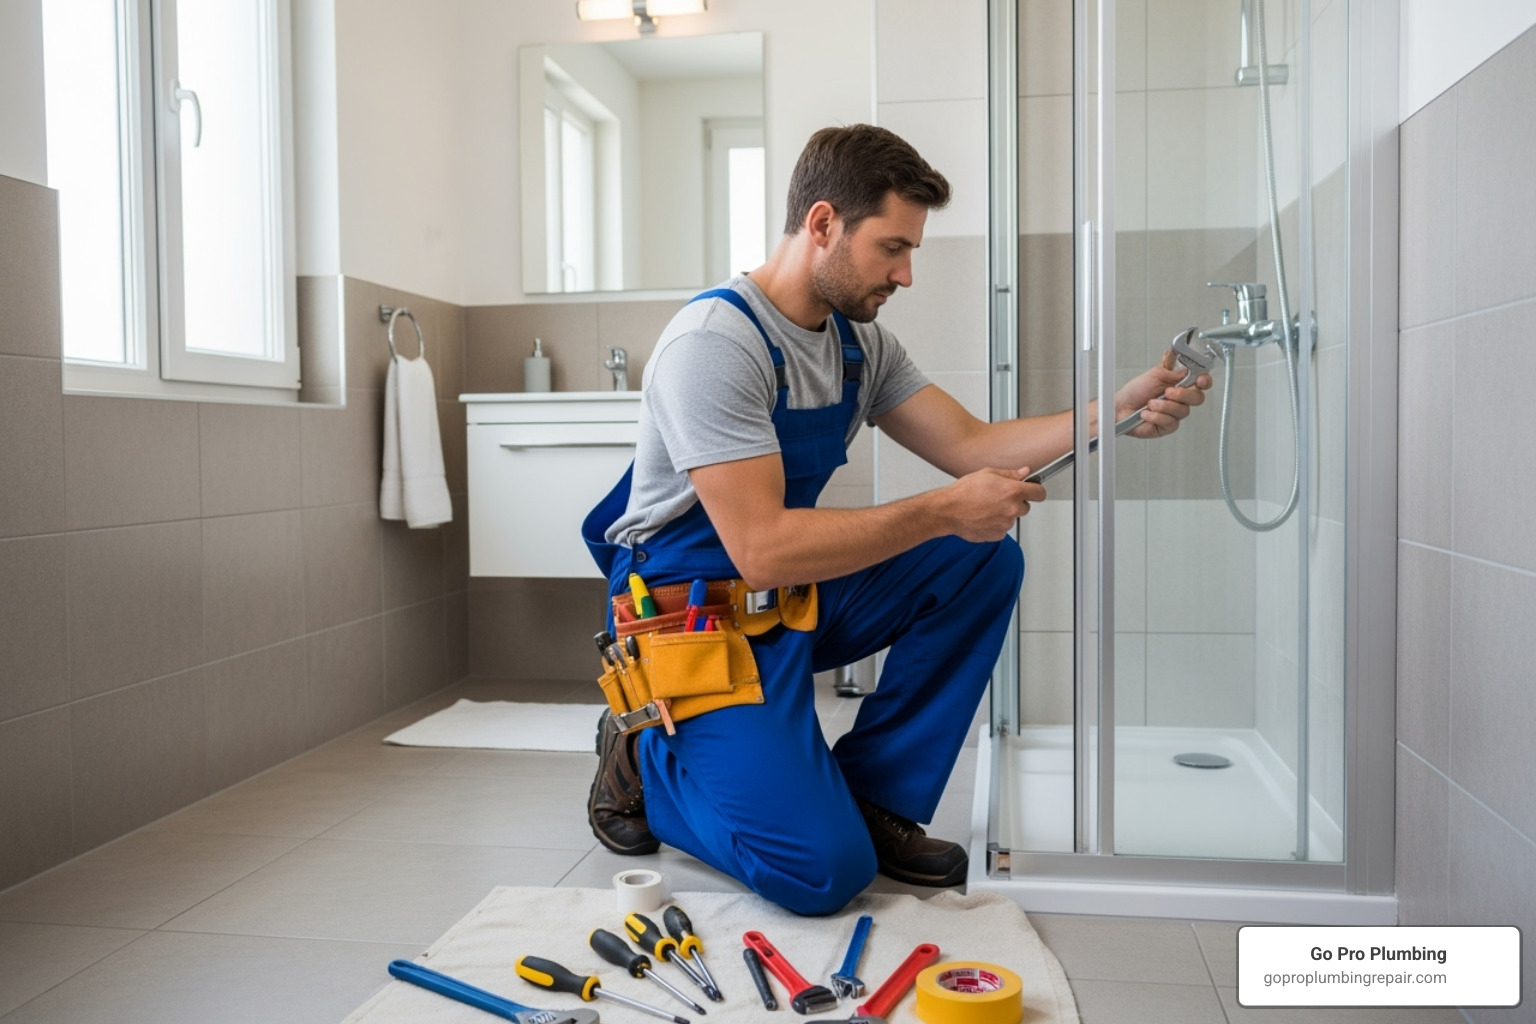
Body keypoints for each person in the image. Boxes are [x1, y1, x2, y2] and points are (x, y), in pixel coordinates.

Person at [581, 124, 1209, 916]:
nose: (906, 274)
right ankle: (646, 760)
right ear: (822, 224)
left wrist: (1112, 412)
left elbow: (972, 444)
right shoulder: (715, 345)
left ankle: (871, 797)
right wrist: (942, 508)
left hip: (787, 602)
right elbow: (762, 546)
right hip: (692, 622)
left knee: (979, 558)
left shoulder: (859, 346)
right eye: (892, 248)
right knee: (821, 875)